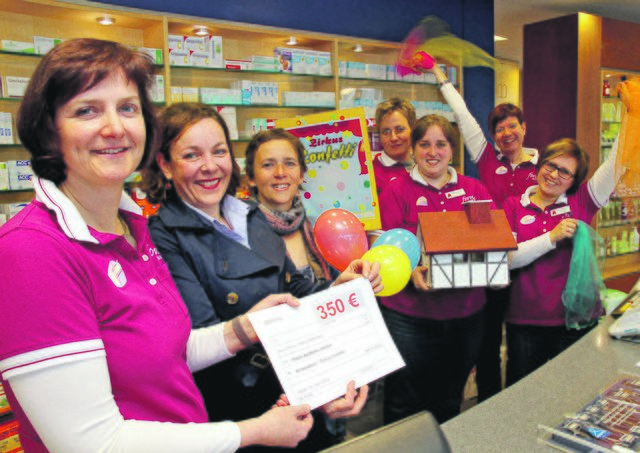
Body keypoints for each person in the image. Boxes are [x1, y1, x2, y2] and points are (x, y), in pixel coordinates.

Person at [0, 38, 314, 453]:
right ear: (49, 130)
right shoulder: (30, 251)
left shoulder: (131, 228)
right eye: (87, 110)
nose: (114, 127)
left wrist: (243, 328)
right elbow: (92, 444)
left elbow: (167, 351)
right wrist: (252, 432)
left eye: (127, 108)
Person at [143, 103, 379, 452]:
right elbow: (199, 340)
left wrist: (337, 287)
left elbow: (294, 289)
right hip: (241, 410)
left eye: (219, 151)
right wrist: (258, 328)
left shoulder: (249, 214)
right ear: (164, 165)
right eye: (192, 155)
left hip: (293, 388)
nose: (210, 166)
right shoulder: (163, 235)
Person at [428, 61, 539, 402]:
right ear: (493, 136)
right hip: (492, 261)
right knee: (488, 341)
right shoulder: (488, 159)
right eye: (499, 129)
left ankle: (525, 399)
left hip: (530, 262)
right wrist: (442, 78)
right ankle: (491, 401)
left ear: (523, 127)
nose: (507, 133)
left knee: (524, 339)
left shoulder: (543, 167)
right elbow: (464, 118)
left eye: (512, 126)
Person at [378, 114, 494, 424]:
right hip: (409, 317)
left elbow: (488, 242)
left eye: (441, 144)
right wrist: (409, 270)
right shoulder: (396, 190)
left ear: (452, 150)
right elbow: (385, 250)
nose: (433, 152)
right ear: (413, 150)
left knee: (449, 397)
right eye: (424, 144)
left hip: (465, 315)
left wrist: (495, 266)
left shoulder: (475, 190)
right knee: (403, 400)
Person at [503, 137, 620, 386]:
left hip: (573, 323)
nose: (554, 175)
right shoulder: (513, 206)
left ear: (574, 181)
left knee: (572, 395)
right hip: (525, 322)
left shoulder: (581, 202)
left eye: (565, 172)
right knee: (521, 398)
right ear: (540, 164)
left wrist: (632, 113)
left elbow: (614, 163)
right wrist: (551, 237)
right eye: (551, 165)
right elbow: (507, 259)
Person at [372, 97, 416, 195]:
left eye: (400, 129)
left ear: (413, 129)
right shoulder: (370, 174)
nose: (393, 138)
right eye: (386, 131)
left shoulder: (425, 166)